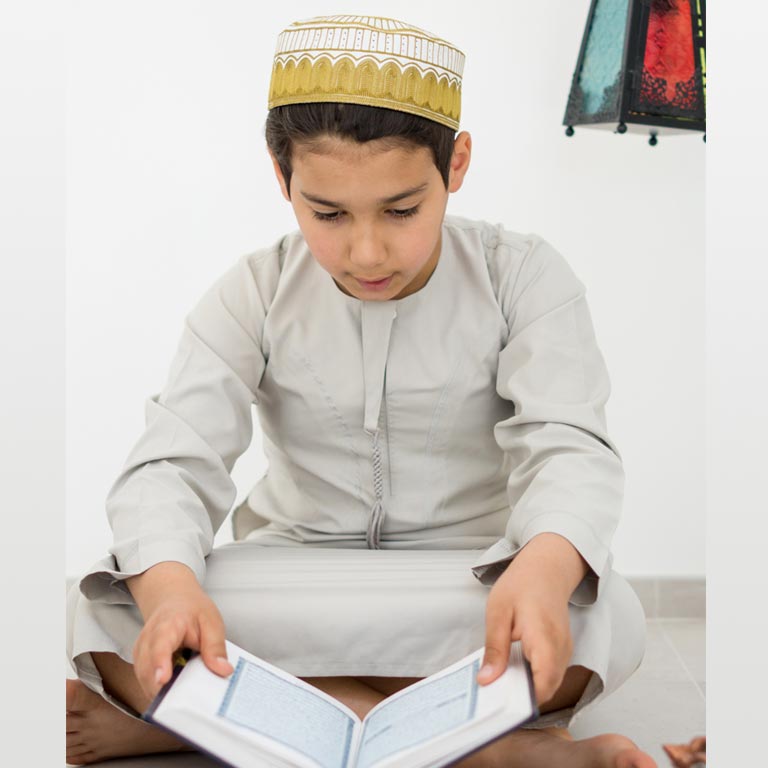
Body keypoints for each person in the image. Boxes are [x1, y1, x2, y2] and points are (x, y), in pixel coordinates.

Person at [65, 13, 655, 768]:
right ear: (282, 179)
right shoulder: (251, 291)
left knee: (608, 618)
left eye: (402, 210)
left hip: (472, 579)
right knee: (109, 607)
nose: (368, 250)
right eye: (328, 213)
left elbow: (571, 447)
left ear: (458, 164)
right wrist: (174, 594)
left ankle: (204, 721)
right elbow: (171, 464)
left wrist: (541, 570)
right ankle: (491, 748)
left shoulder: (526, 276)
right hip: (292, 576)